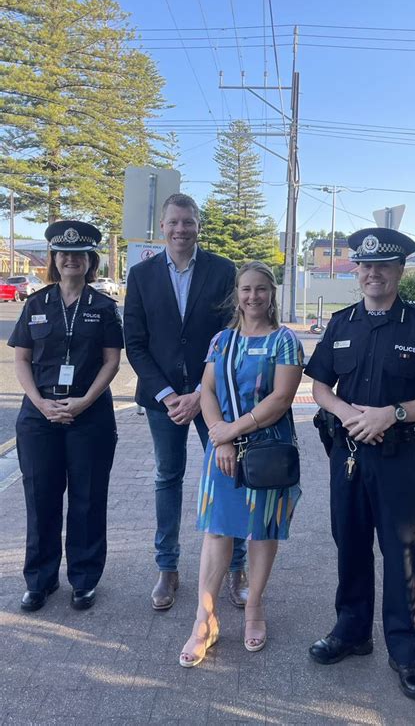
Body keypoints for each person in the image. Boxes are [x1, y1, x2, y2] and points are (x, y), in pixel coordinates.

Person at [305, 227, 415, 701]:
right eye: (365, 266)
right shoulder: (341, 323)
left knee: (402, 555)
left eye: (384, 266)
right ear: (357, 271)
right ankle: (352, 632)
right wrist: (348, 413)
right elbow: (319, 387)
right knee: (349, 545)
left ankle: (406, 651)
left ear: (399, 271)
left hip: (399, 459)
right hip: (349, 456)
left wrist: (390, 414)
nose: (373, 273)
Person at [124, 193, 248, 611]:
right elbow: (135, 344)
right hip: (163, 401)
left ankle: (237, 568)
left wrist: (199, 392)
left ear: (199, 226)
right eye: (174, 222)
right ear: (162, 227)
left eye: (188, 222)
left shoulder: (222, 270)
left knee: (230, 475)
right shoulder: (140, 276)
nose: (181, 229)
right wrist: (168, 395)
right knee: (167, 478)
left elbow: (230, 334)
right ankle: (167, 568)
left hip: (211, 395)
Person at [179, 261, 304, 668]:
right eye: (246, 289)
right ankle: (204, 620)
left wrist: (233, 431)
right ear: (238, 294)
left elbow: (282, 398)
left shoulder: (285, 341)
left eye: (261, 289)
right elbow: (209, 389)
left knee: (262, 531)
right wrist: (219, 434)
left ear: (272, 294)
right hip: (224, 450)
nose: (253, 297)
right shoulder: (222, 340)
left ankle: (254, 608)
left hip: (268, 451)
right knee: (217, 532)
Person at [8, 220, 123, 612]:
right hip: (39, 416)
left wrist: (85, 400)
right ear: (54, 260)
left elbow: (112, 362)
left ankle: (84, 580)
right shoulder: (36, 304)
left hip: (88, 414)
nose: (71, 259)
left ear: (90, 261)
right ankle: (40, 581)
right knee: (40, 499)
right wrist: (40, 403)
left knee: (88, 500)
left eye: (78, 255)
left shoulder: (104, 308)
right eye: (63, 254)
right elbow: (21, 360)